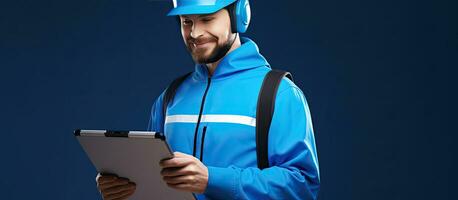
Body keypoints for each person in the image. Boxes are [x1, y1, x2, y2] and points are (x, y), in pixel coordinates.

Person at [96, 0, 320, 199]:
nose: (195, 33)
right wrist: (124, 189)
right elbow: (154, 180)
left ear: (239, 15)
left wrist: (211, 180)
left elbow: (302, 185)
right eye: (187, 22)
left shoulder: (279, 93)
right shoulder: (170, 97)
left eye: (207, 19)